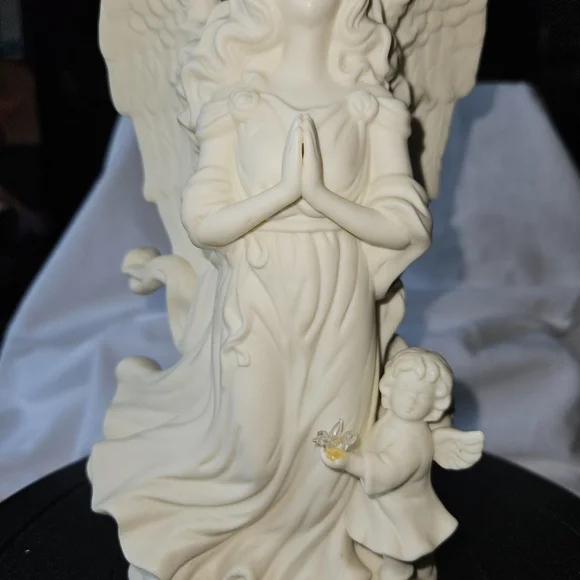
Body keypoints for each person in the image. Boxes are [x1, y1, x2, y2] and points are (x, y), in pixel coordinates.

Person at [321, 348, 484, 580]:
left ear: (435, 404)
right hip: (389, 506)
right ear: (390, 388)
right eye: (405, 390)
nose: (410, 400)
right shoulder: (393, 419)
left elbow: (388, 470)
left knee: (397, 558)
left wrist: (348, 461)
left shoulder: (411, 438)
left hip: (399, 513)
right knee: (405, 553)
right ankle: (424, 571)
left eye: (421, 396)